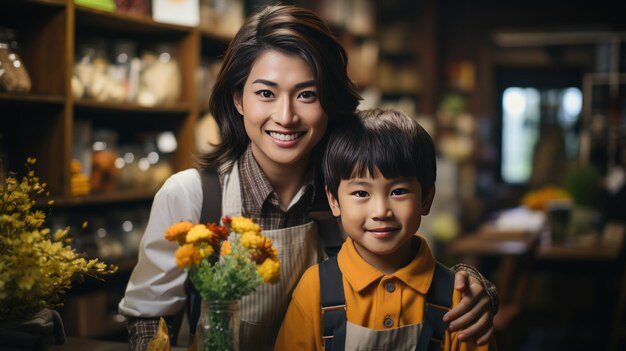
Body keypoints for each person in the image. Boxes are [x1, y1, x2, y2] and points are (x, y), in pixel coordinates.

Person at [118, 5, 496, 351]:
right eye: (266, 93)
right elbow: (147, 318)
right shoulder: (194, 197)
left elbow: (407, 263)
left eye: (307, 95)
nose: (285, 116)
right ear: (238, 99)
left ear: (330, 102)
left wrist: (473, 287)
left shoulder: (350, 192)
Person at [275, 108, 497, 350]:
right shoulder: (315, 288)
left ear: (426, 198)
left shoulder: (459, 299)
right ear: (334, 201)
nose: (381, 211)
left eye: (398, 191)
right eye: (361, 193)